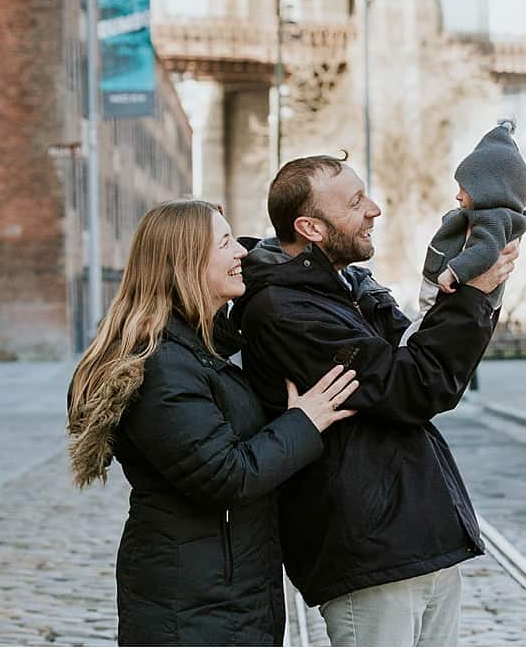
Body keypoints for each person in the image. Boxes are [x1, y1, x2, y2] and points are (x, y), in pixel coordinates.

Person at [231, 154, 520, 646]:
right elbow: (416, 385)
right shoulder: (283, 310)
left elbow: (424, 354)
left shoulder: (349, 286)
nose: (375, 209)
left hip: (419, 537)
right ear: (311, 228)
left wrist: (463, 287)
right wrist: (471, 295)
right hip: (367, 548)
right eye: (355, 201)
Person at [65, 199, 361, 645]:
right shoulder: (162, 365)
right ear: (186, 263)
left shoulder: (200, 348)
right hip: (192, 605)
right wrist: (305, 420)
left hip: (225, 590)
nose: (240, 252)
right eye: (225, 243)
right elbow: (226, 475)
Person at [401, 120, 526, 345]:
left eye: (465, 189)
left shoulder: (492, 219)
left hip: (446, 289)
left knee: (417, 335)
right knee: (420, 328)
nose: (458, 195)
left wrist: (453, 271)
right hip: (444, 294)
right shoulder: (481, 215)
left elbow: (485, 250)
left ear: (488, 190)